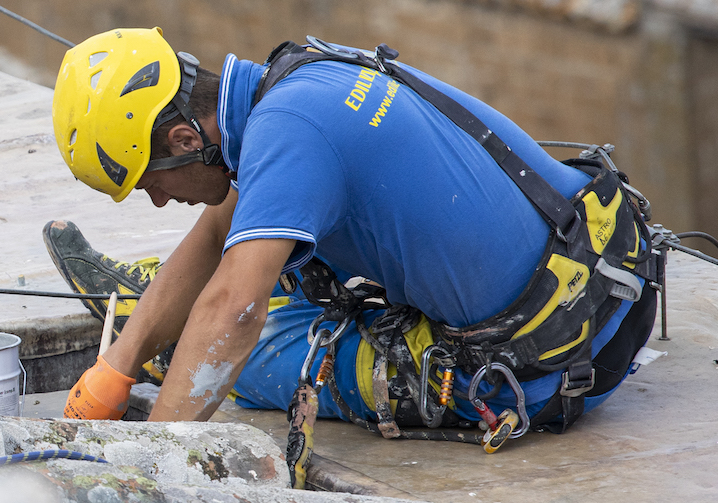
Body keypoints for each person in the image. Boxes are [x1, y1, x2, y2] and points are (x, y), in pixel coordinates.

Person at [44, 27, 659, 443]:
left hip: (541, 362)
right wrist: (114, 369)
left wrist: (159, 457)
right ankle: (153, 327)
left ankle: (169, 338)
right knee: (256, 259)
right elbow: (222, 224)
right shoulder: (297, 80)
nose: (156, 198)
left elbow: (234, 313)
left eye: (150, 181)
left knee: (249, 351)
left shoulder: (287, 135)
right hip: (595, 270)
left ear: (183, 141)